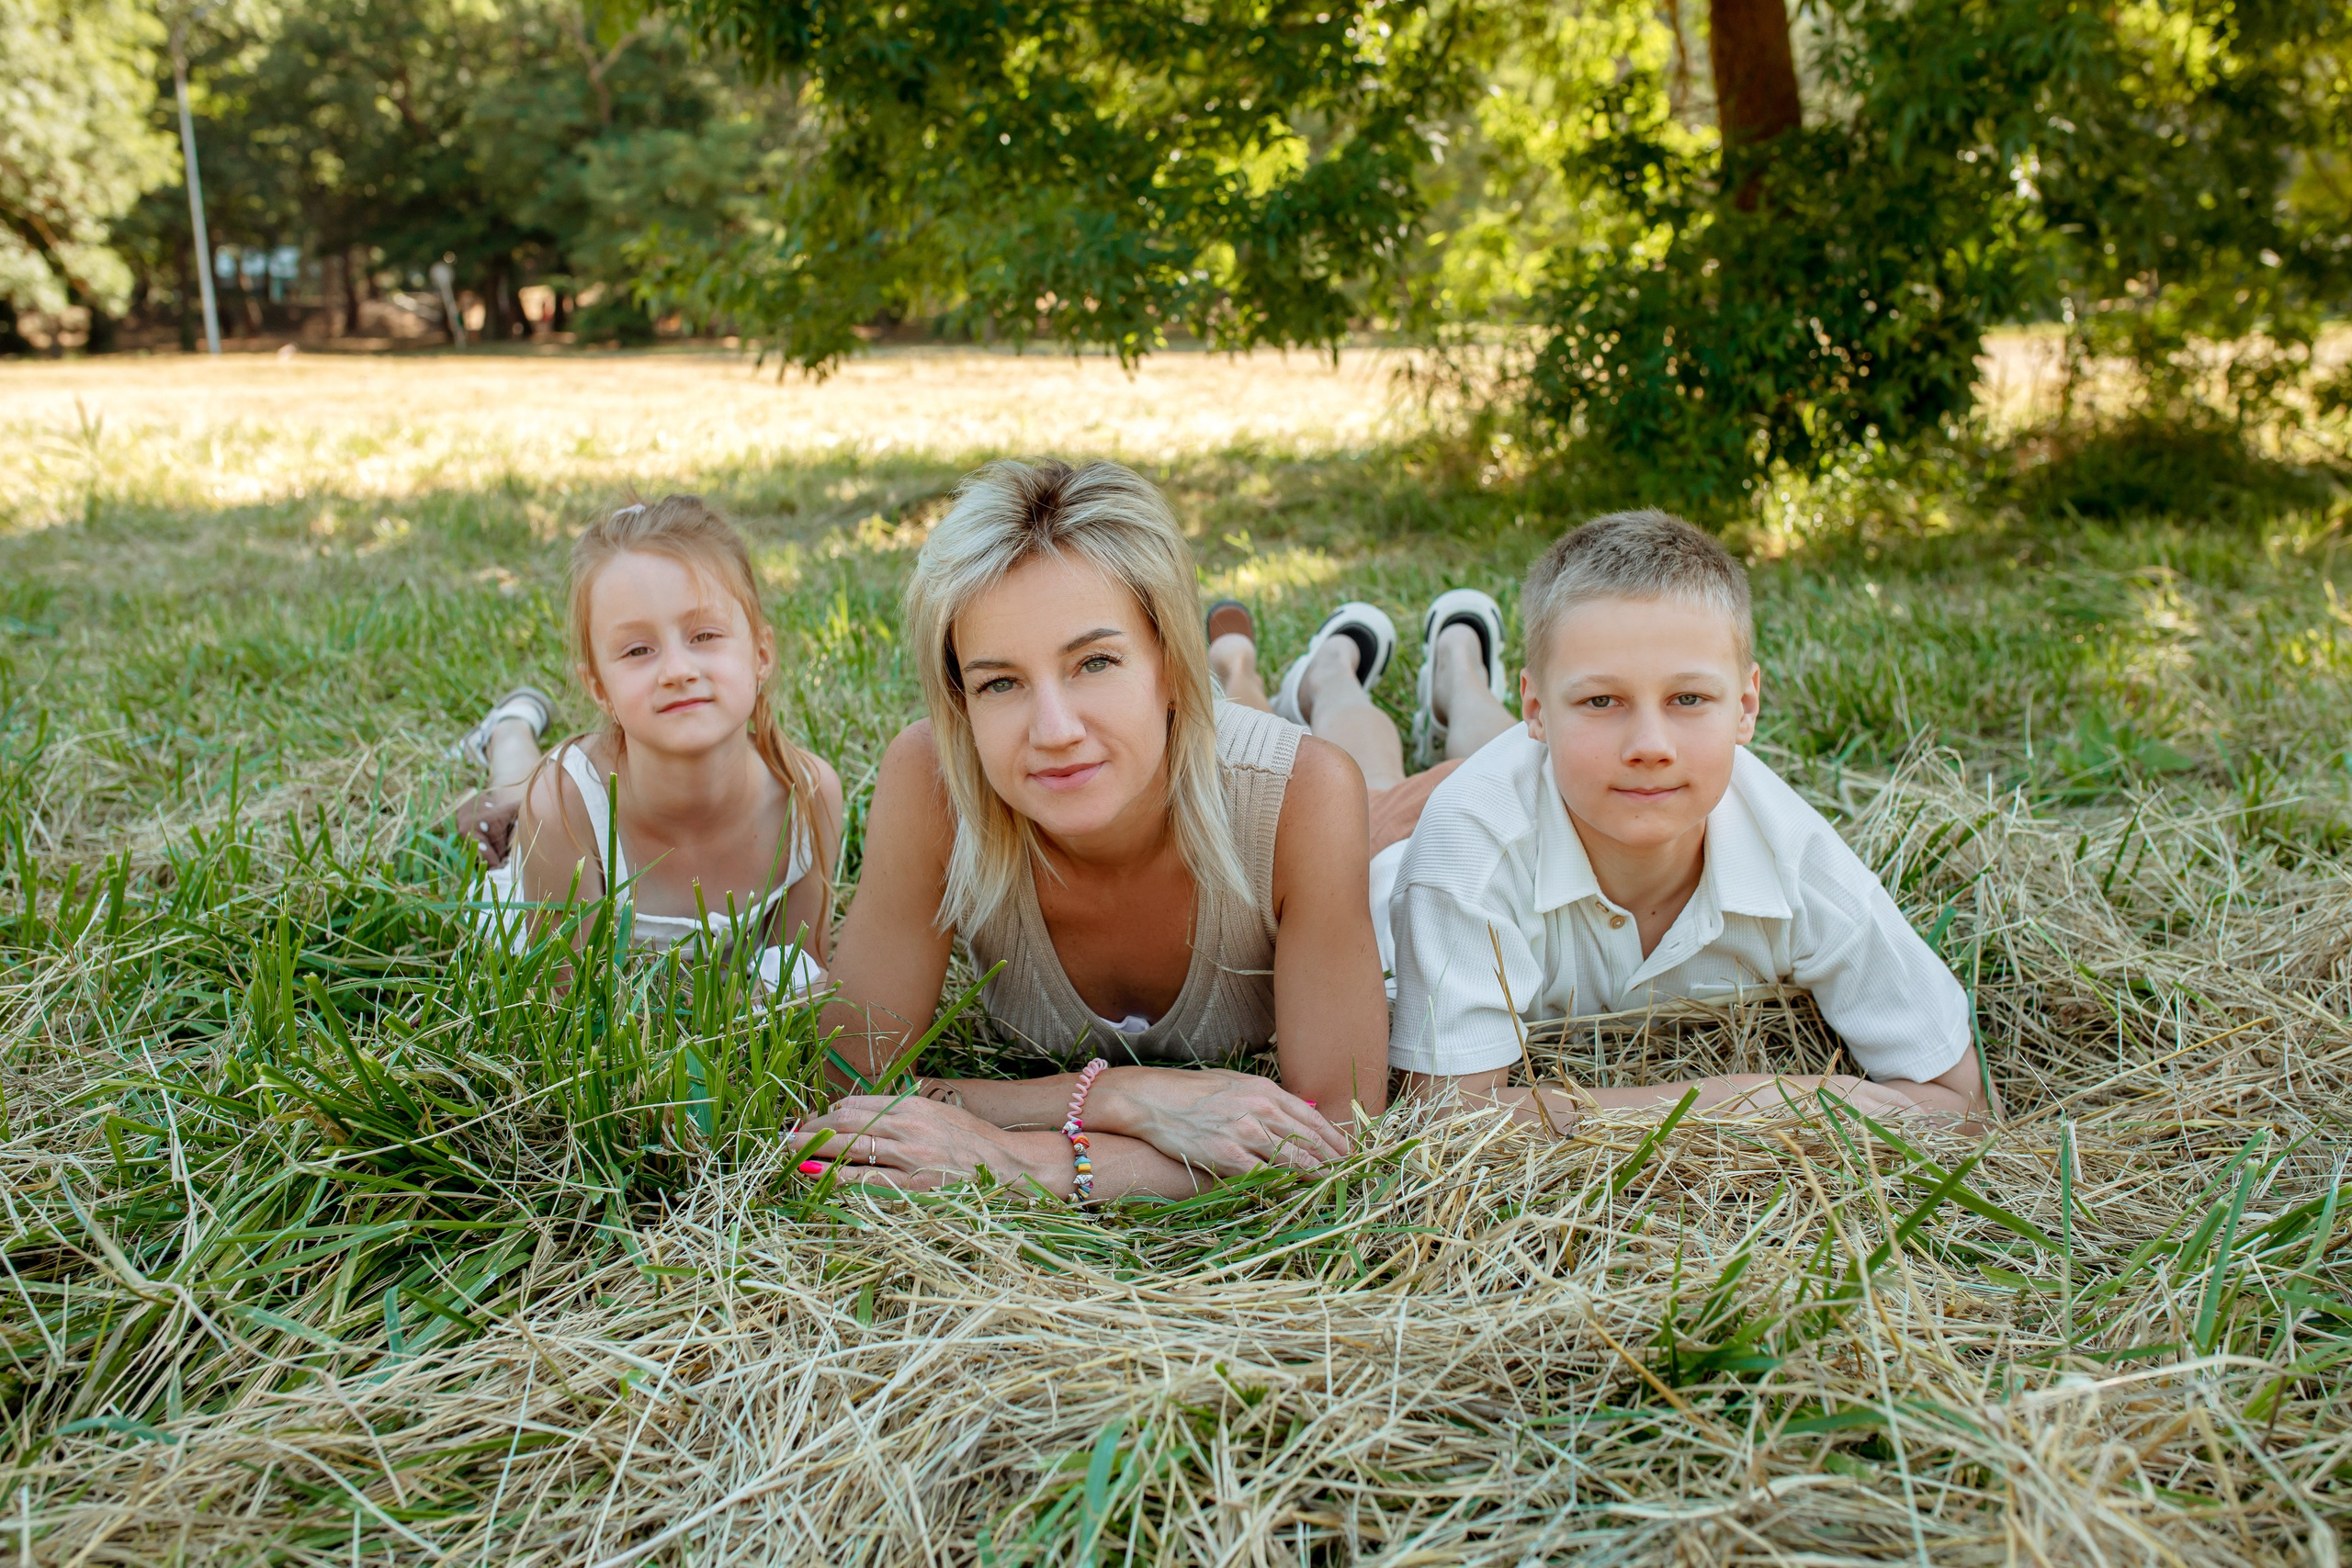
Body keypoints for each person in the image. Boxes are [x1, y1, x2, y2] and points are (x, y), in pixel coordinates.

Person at [786, 457, 1389, 1200]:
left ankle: (1333, 668)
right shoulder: (933, 778)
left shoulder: (1304, 793)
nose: (1055, 730)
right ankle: (1247, 664)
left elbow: (1334, 1131)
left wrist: (1032, 1163)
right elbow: (849, 1085)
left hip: (1261, 773)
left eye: (1095, 661)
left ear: (1171, 663)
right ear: (960, 701)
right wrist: (1119, 1096)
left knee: (1378, 781)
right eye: (1000, 682)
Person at [1386, 510, 1989, 1128]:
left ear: (1746, 705)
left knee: (1490, 750)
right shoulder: (1467, 847)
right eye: (1602, 699)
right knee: (1374, 780)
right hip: (1394, 846)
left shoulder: (1795, 855)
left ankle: (1459, 667)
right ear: (1536, 706)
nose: (1651, 744)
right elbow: (1448, 1119)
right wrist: (1744, 1102)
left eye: (1688, 699)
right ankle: (1373, 671)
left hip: (1545, 773)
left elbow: (1960, 1099)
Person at [481, 496, 843, 982]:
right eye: (637, 649)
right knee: (513, 795)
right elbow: (571, 1011)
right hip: (538, 857)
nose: (677, 671)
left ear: (760, 654)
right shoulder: (562, 809)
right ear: (599, 688)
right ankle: (510, 726)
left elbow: (802, 978)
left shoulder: (809, 796)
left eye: (704, 636)